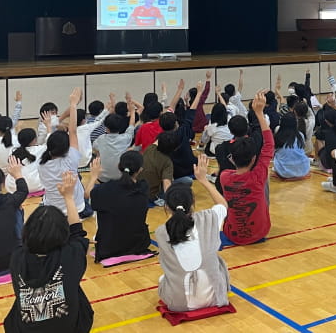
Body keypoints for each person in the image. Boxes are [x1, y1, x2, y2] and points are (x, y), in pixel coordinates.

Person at [4, 172, 93, 333]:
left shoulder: (17, 256)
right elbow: (78, 233)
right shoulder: (70, 255)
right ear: (63, 236)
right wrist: (68, 197)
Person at [156, 156, 231, 312]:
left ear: (167, 208)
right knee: (218, 263)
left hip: (179, 303)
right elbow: (223, 204)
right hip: (216, 298)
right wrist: (203, 180)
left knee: (163, 279)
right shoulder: (208, 218)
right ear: (192, 203)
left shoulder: (162, 232)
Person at [220, 91, 274, 246]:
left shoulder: (225, 176)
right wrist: (259, 112)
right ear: (253, 158)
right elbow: (269, 145)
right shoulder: (258, 175)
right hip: (261, 232)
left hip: (233, 235)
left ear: (232, 158)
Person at [86, 151, 152, 261]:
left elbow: (88, 194)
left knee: (100, 208)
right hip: (138, 244)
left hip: (109, 247)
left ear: (118, 166)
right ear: (140, 169)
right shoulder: (144, 188)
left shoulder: (106, 189)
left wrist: (94, 176)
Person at [40, 89, 91, 218]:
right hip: (75, 208)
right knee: (77, 179)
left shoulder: (41, 160)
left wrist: (48, 126)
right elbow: (73, 131)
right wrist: (73, 104)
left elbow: (51, 137)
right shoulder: (71, 158)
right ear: (66, 147)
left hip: (52, 209)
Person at [273, 113, 310, 180]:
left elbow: (274, 151)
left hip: (283, 171)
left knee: (277, 156)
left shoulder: (278, 136)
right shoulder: (300, 135)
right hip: (303, 169)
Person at [8, 129, 45, 194]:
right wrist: (48, 127)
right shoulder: (41, 149)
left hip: (15, 187)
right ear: (34, 140)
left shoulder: (12, 150)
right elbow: (50, 141)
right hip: (36, 186)